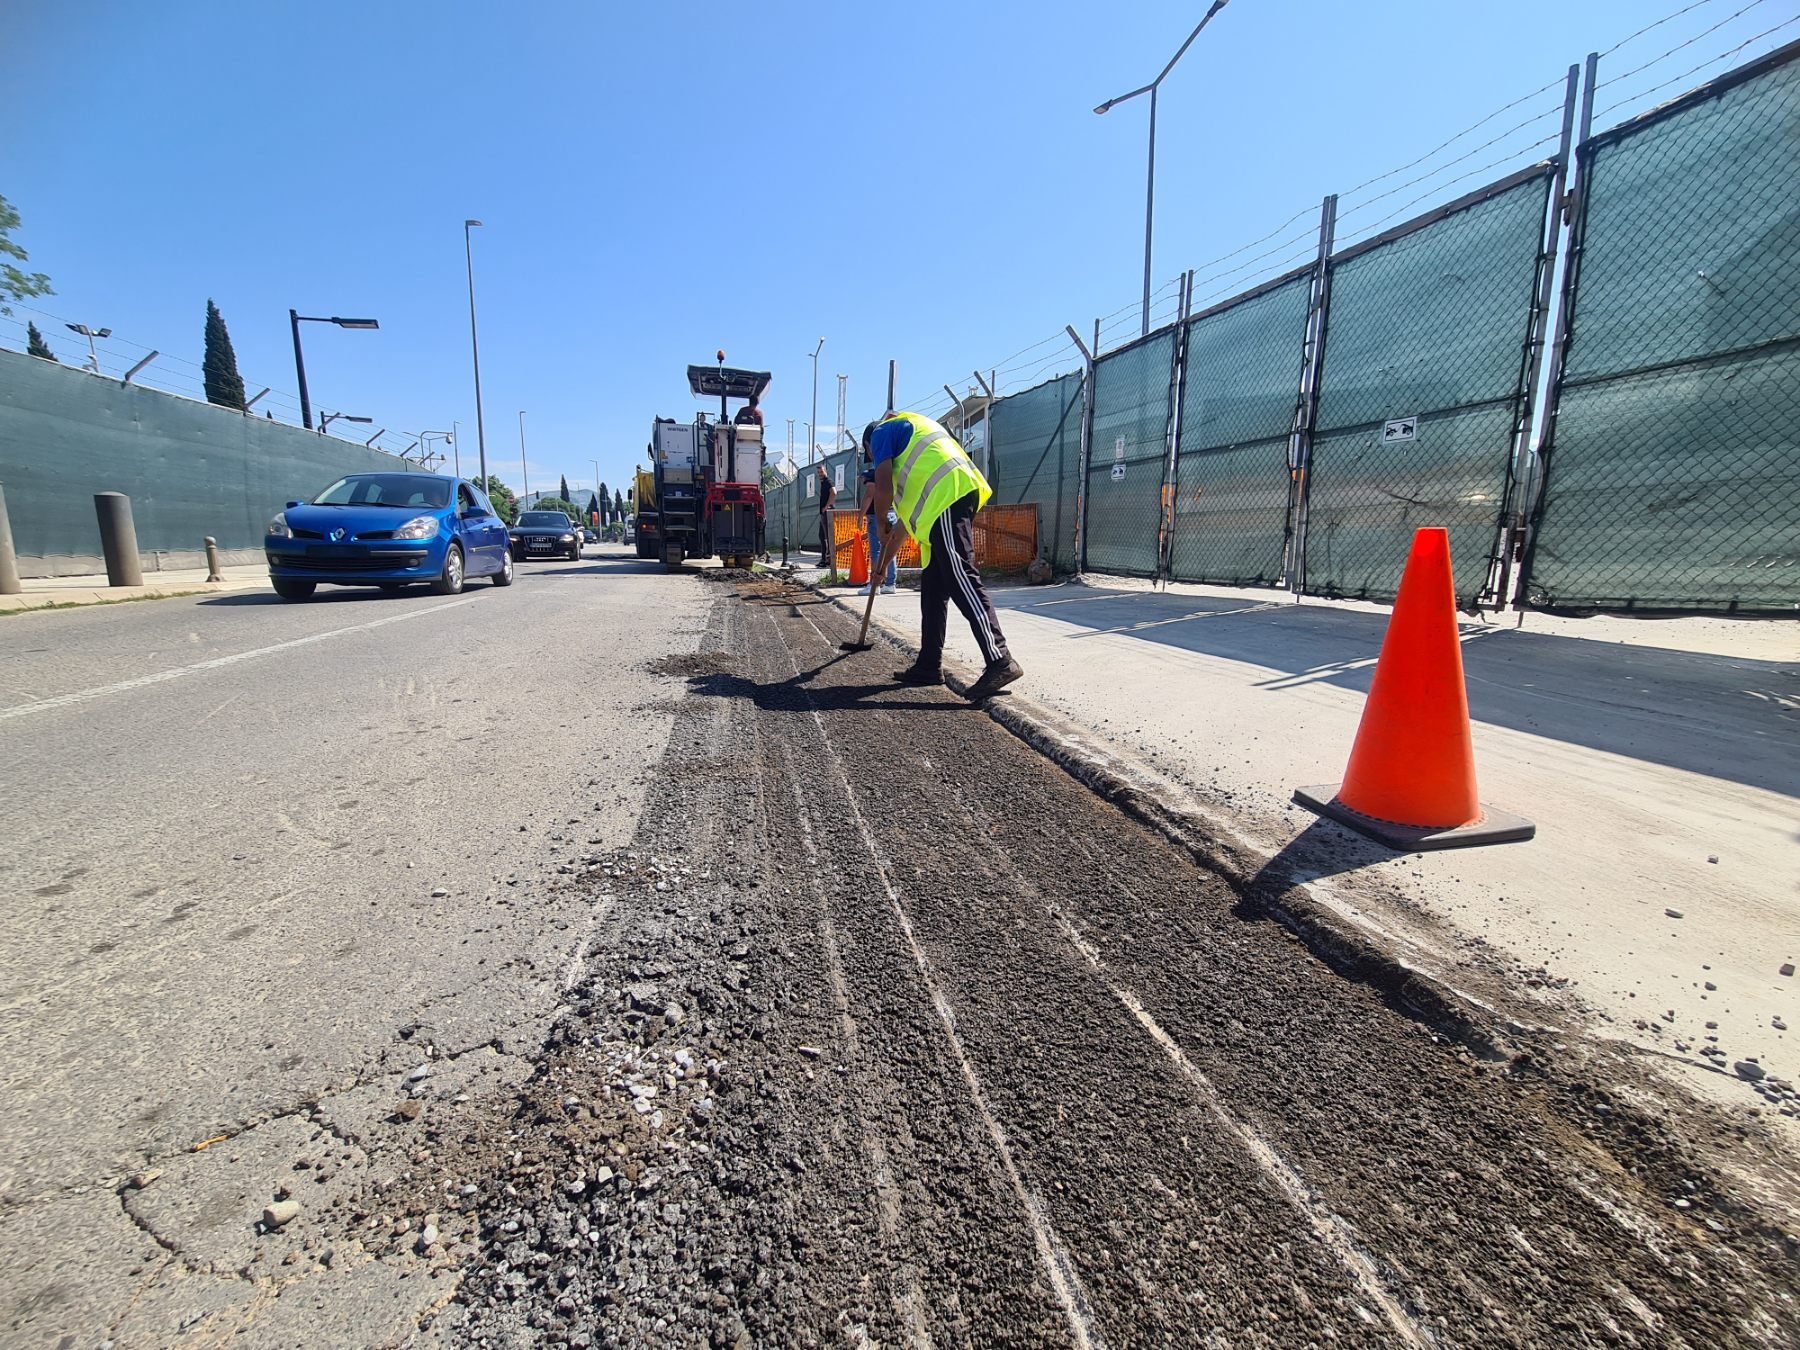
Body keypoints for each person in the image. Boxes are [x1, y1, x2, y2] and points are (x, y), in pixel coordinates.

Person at [865, 412, 1022, 701]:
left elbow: (883, 486)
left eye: (871, 458)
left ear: (869, 444)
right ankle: (928, 666)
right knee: (933, 591)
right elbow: (900, 530)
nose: (874, 462)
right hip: (943, 503)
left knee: (962, 578)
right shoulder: (910, 449)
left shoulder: (882, 432)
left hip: (947, 497)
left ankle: (1000, 659)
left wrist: (879, 520)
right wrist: (882, 566)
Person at [858, 445, 897, 596]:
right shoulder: (891, 470)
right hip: (892, 512)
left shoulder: (875, 472)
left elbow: (869, 494)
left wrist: (861, 516)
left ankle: (875, 585)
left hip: (877, 515)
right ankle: (890, 583)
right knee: (889, 549)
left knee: (876, 550)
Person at [815, 464, 836, 565]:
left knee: (828, 537)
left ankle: (828, 560)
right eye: (818, 472)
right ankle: (824, 559)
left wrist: (827, 506)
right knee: (822, 536)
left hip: (827, 513)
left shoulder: (828, 481)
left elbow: (834, 492)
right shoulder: (823, 483)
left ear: (825, 471)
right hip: (824, 513)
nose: (820, 474)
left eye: (821, 472)